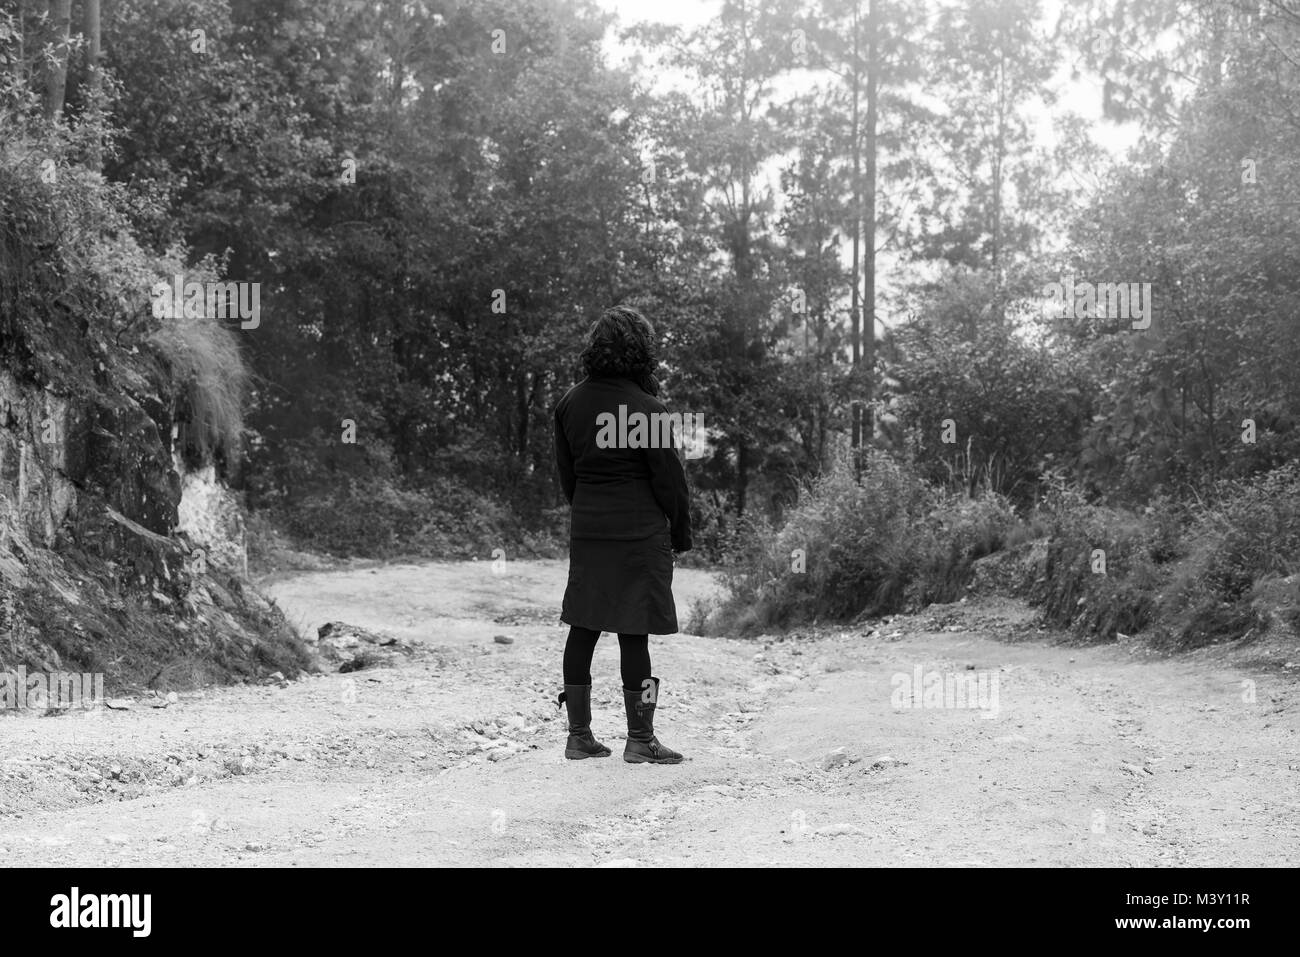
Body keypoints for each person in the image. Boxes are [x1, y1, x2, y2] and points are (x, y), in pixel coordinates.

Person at [553, 305, 692, 764]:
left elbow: (568, 477)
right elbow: (670, 482)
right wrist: (681, 532)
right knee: (636, 637)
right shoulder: (649, 410)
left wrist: (591, 513)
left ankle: (578, 736)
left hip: (591, 533)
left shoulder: (570, 403)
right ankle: (641, 738)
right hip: (639, 536)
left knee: (583, 628)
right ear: (642, 350)